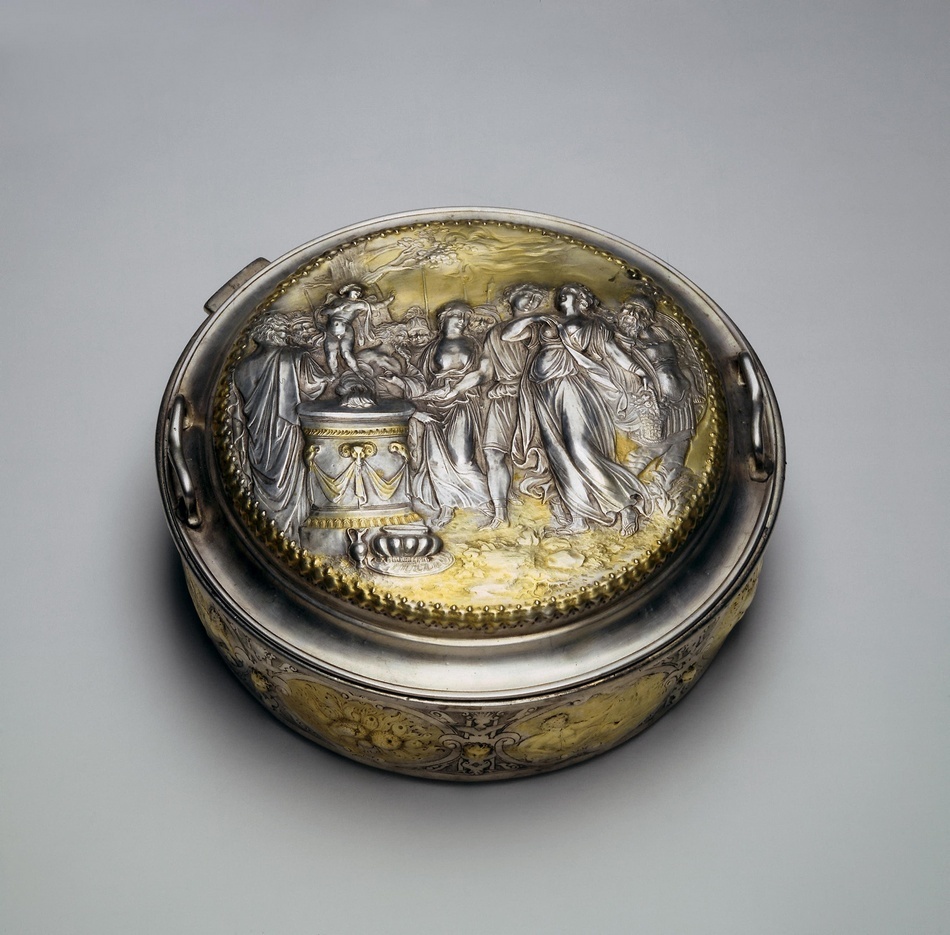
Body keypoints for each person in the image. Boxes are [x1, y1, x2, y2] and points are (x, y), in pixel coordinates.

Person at [503, 283, 652, 536]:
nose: (563, 294)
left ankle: (625, 505)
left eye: (570, 291)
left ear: (583, 298)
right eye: (562, 293)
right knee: (557, 454)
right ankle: (579, 518)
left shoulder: (594, 325)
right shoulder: (547, 322)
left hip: (572, 386)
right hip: (542, 391)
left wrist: (640, 371)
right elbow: (508, 335)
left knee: (580, 448)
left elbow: (613, 352)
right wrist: (535, 317)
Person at [437, 283, 547, 528]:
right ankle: (500, 513)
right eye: (525, 294)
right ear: (511, 298)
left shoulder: (541, 329)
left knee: (543, 454)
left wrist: (519, 385)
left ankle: (559, 510)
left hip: (533, 399)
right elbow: (484, 372)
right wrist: (456, 389)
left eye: (536, 297)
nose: (531, 300)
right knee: (493, 454)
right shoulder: (494, 333)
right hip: (502, 400)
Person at [231, 313, 329, 534]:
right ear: (273, 333)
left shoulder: (242, 367)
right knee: (290, 479)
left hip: (258, 438)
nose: (287, 335)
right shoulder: (291, 357)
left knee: (266, 481)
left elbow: (241, 407)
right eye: (284, 330)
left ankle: (267, 528)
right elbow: (314, 388)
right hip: (285, 431)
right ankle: (290, 530)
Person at [409, 301, 490, 528]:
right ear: (444, 318)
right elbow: (419, 381)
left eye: (465, 318)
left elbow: (484, 373)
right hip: (435, 404)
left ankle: (484, 501)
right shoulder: (430, 349)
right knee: (435, 459)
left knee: (462, 459)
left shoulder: (475, 345)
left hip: (462, 400)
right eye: (457, 316)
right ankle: (446, 505)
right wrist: (424, 401)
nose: (462, 321)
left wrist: (456, 389)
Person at [614, 294, 700, 482]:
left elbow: (682, 364)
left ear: (648, 316)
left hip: (681, 395)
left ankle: (665, 486)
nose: (631, 314)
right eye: (627, 309)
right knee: (654, 447)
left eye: (638, 310)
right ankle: (622, 483)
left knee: (680, 446)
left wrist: (692, 388)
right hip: (656, 400)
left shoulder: (662, 333)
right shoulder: (621, 341)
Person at [319, 283, 395, 377]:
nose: (358, 294)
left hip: (346, 330)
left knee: (346, 353)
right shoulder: (337, 301)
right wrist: (336, 309)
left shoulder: (358, 304)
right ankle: (334, 374)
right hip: (330, 331)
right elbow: (323, 312)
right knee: (330, 355)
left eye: (359, 293)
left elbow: (376, 307)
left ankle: (357, 372)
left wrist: (389, 299)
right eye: (356, 291)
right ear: (349, 290)